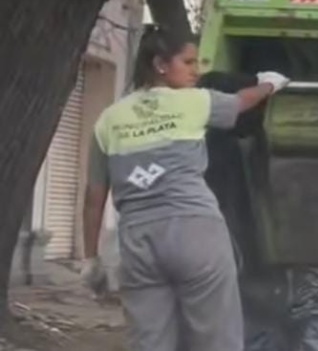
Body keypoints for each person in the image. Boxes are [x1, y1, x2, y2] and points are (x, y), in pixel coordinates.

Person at [79, 24, 290, 351]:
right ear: (161, 65)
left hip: (139, 242)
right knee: (215, 338)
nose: (196, 71)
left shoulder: (109, 119)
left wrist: (91, 258)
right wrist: (269, 84)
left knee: (149, 341)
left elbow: (94, 197)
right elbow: (240, 102)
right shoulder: (191, 103)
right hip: (196, 232)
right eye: (188, 63)